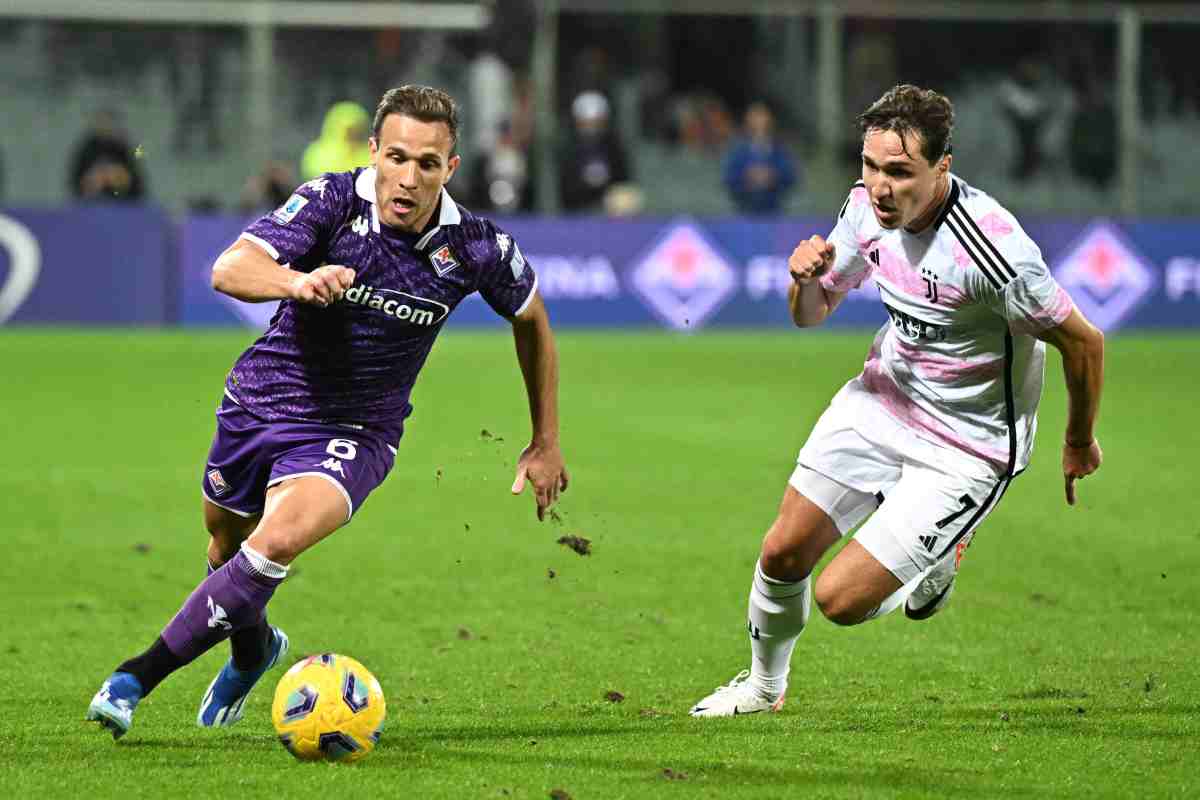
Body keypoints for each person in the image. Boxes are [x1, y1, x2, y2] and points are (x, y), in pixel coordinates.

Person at [86, 85, 569, 738]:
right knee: (227, 545)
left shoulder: (476, 246)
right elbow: (231, 269)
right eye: (396, 157)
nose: (408, 177)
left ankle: (132, 679)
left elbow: (532, 318)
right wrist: (297, 282)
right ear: (374, 152)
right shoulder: (332, 202)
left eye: (428, 163)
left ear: (450, 168)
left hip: (357, 431)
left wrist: (545, 440)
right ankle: (254, 649)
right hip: (258, 405)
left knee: (274, 542)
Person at [690, 84, 1104, 717]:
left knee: (840, 601)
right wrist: (802, 281)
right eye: (870, 165)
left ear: (942, 166)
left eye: (899, 172)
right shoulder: (864, 212)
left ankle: (941, 551)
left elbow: (1084, 343)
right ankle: (762, 688)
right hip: (882, 403)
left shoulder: (993, 254)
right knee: (781, 552)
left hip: (969, 446)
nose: (879, 187)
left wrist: (1078, 440)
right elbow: (814, 312)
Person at [559, 91, 631, 213]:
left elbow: (623, 181)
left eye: (597, 122)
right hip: (574, 211)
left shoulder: (613, 147)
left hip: (610, 211)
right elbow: (564, 187)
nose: (591, 128)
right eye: (586, 123)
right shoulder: (568, 149)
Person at [722, 102, 799, 215]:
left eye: (762, 117)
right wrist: (747, 177)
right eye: (755, 118)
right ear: (747, 121)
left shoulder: (780, 150)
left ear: (770, 120)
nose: (759, 123)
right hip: (744, 211)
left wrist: (773, 176)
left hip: (775, 212)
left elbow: (791, 176)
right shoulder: (737, 151)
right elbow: (729, 178)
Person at [69, 110, 146, 201]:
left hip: (122, 205)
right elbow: (75, 183)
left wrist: (119, 179)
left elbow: (137, 183)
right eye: (101, 122)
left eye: (108, 122)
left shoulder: (123, 148)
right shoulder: (86, 149)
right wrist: (91, 181)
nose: (104, 126)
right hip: (90, 205)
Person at [300, 101, 372, 180]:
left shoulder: (370, 154)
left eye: (357, 129)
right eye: (348, 130)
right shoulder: (317, 154)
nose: (353, 134)